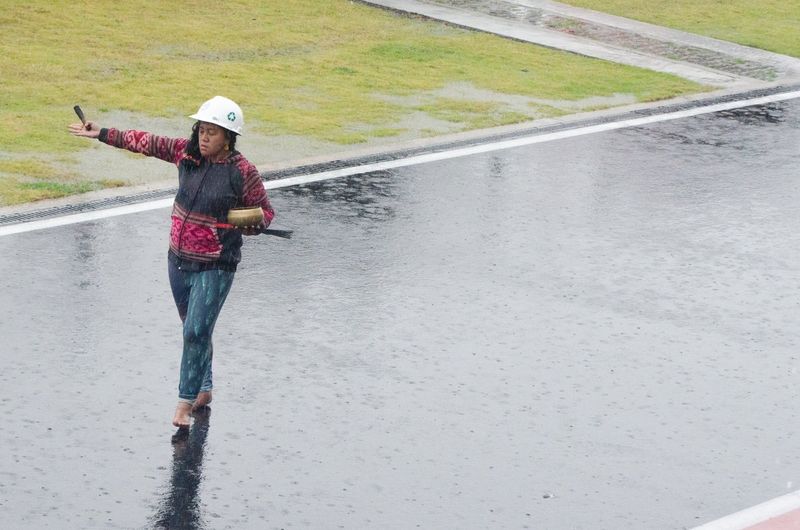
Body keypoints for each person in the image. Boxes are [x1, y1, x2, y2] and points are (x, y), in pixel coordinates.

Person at [69, 96, 274, 429]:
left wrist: (253, 224)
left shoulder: (242, 171)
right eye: (201, 130)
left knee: (195, 331)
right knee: (194, 329)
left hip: (216, 265)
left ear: (228, 137)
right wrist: (102, 132)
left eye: (211, 132)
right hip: (177, 261)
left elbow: (265, 212)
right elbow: (147, 143)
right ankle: (204, 387)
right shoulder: (186, 154)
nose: (203, 137)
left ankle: (183, 403)